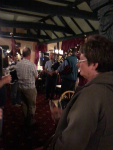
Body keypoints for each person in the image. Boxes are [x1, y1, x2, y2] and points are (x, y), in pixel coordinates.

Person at [50, 35, 113, 150]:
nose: (78, 64)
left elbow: (69, 145)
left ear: (94, 64)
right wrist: (67, 116)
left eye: (81, 60)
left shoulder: (90, 95)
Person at [15, 47, 38, 126]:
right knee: (31, 105)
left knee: (24, 103)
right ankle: (30, 120)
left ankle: (25, 119)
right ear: (29, 54)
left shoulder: (18, 64)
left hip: (21, 87)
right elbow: (36, 76)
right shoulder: (32, 65)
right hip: (30, 88)